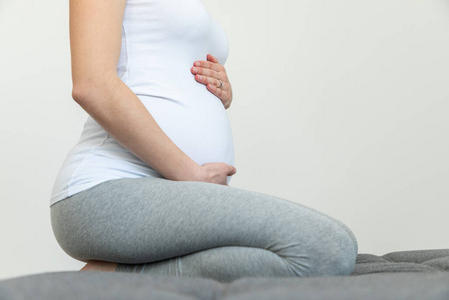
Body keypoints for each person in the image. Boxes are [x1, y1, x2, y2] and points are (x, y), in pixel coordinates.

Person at [50, 0, 358, 283]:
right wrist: (189, 174)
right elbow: (93, 85)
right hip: (110, 185)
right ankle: (105, 278)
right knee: (327, 248)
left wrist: (219, 88)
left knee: (325, 249)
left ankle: (123, 273)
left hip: (169, 190)